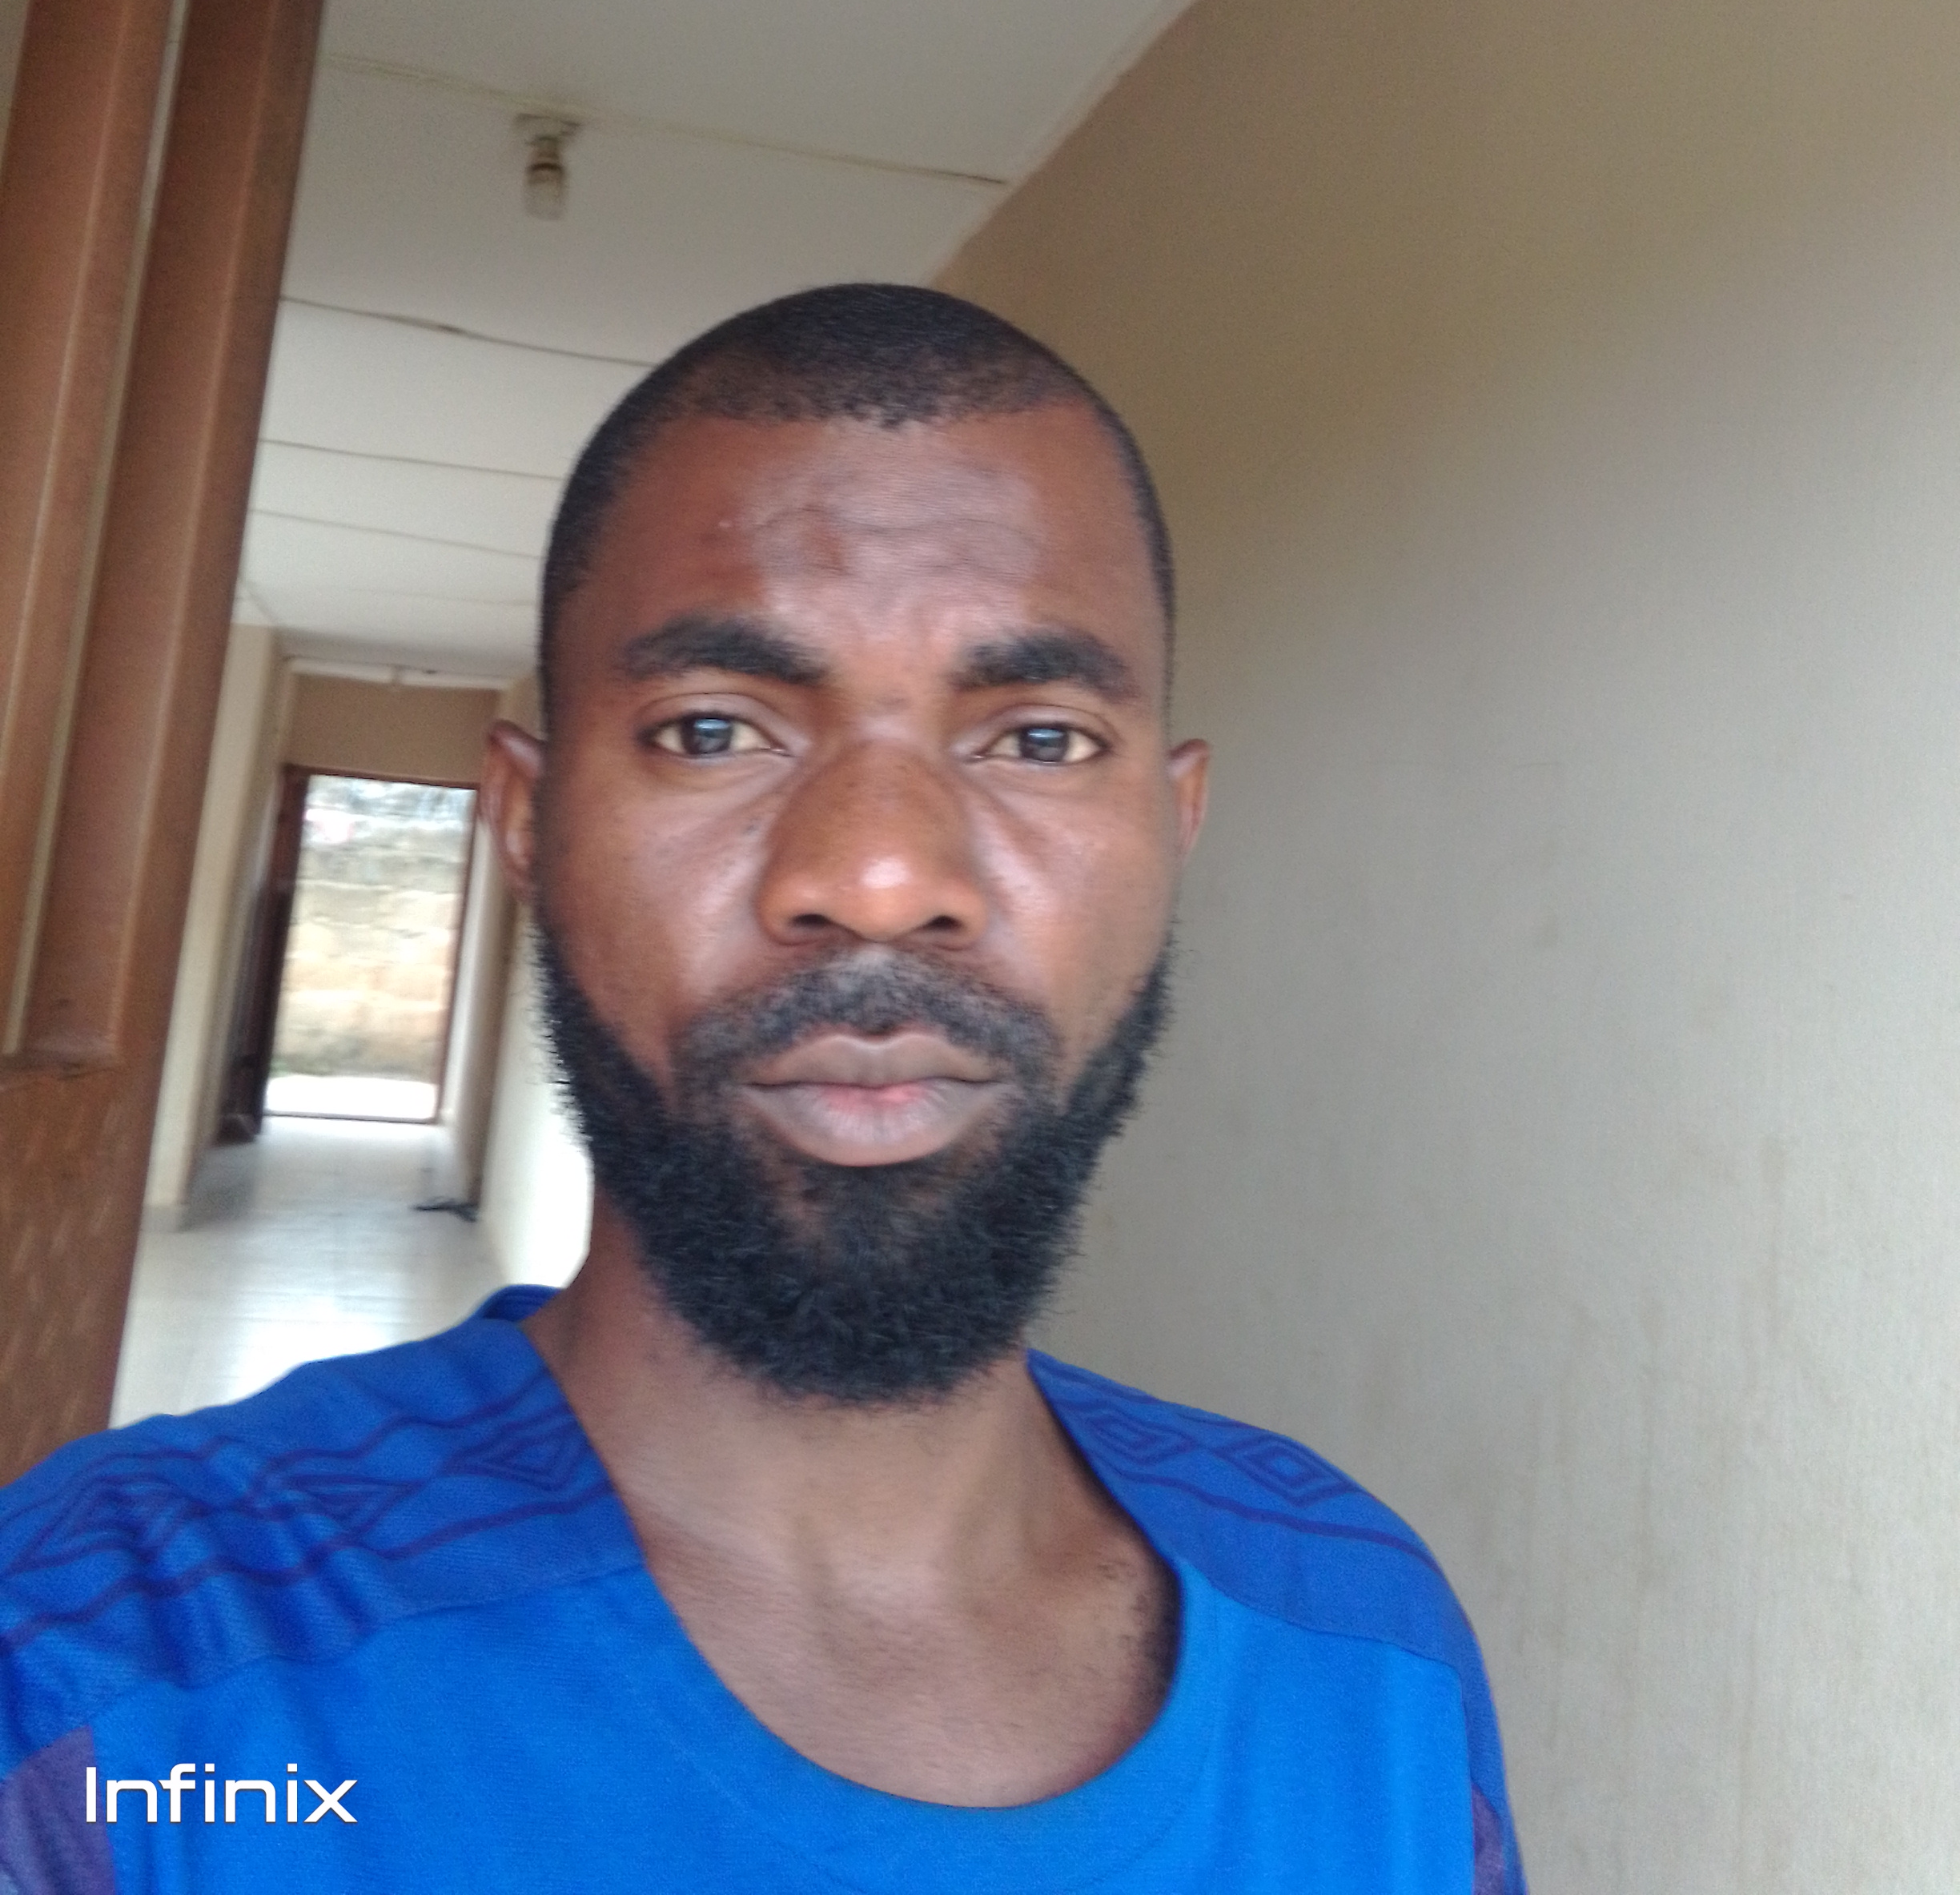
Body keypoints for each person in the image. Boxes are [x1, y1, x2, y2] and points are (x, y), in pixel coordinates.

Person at [0, 284, 1525, 1891]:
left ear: (1175, 828)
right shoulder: (108, 1683)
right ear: (526, 827)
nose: (878, 878)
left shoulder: (1368, 1643)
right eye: (715, 730)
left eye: (1041, 740)